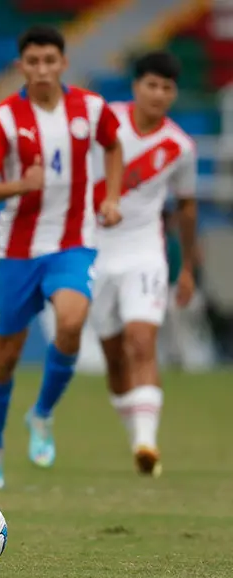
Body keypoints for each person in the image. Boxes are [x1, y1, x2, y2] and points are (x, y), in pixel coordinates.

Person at [0, 25, 123, 491]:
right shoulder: (2, 120)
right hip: (17, 252)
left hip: (73, 243)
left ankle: (42, 413)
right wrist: (20, 185)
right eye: (32, 62)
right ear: (22, 66)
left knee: (73, 320)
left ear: (63, 63)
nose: (41, 69)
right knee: (4, 358)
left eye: (49, 61)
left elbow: (114, 146)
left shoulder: (91, 109)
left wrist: (111, 197)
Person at [89, 51, 198, 477]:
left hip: (144, 251)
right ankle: (135, 431)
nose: (158, 94)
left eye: (167, 88)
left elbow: (186, 208)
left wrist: (186, 266)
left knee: (141, 340)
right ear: (136, 87)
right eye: (151, 85)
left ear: (174, 94)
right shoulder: (107, 121)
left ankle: (146, 442)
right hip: (96, 249)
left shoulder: (180, 147)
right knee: (114, 357)